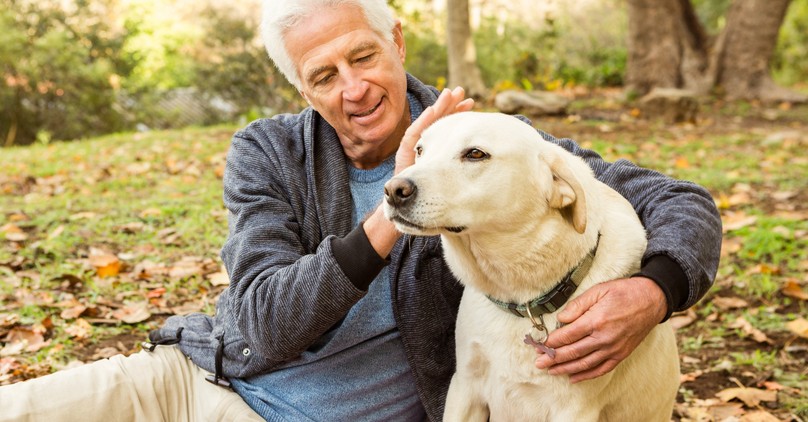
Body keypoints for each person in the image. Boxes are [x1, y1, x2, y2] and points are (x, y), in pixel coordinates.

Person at [0, 0, 722, 420]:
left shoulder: (488, 150)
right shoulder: (269, 152)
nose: (353, 89)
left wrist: (654, 288)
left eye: (363, 57)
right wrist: (394, 210)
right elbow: (262, 321)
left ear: (397, 41)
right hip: (197, 383)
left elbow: (676, 198)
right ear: (303, 90)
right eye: (324, 76)